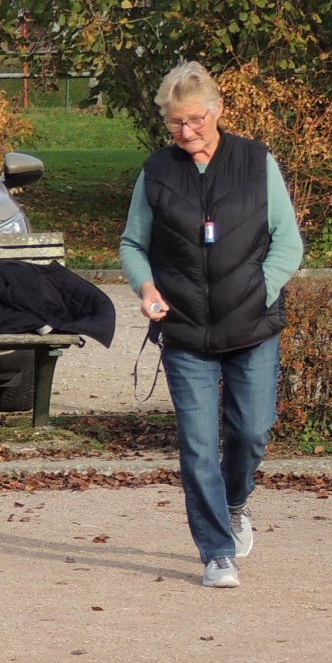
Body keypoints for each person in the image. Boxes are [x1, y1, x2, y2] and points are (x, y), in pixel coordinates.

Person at [123, 61, 304, 589]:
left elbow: (288, 242)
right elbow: (133, 245)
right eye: (175, 123)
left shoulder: (255, 161)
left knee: (250, 431)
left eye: (195, 120)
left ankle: (237, 500)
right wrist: (148, 289)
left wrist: (260, 291)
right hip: (184, 331)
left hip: (251, 326)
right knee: (199, 444)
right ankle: (216, 550)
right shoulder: (157, 171)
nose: (186, 133)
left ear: (218, 111)